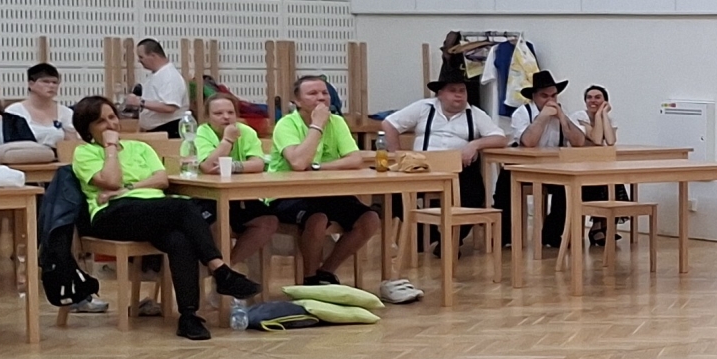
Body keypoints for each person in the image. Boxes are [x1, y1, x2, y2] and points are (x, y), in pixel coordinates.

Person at [68, 95, 260, 340]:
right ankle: (220, 270)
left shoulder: (140, 147)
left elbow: (161, 180)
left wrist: (129, 187)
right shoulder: (84, 152)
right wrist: (111, 148)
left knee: (179, 239)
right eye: (101, 121)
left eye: (112, 117)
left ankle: (189, 316)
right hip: (111, 214)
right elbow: (111, 180)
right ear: (87, 129)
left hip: (154, 209)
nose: (111, 124)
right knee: (184, 207)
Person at [269, 76, 418, 301]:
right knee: (317, 218)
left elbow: (355, 159)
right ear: (297, 101)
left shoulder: (337, 122)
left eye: (324, 93)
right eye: (312, 93)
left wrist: (318, 167)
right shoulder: (287, 124)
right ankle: (309, 280)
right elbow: (298, 163)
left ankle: (325, 272)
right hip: (286, 193)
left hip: (325, 192)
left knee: (369, 219)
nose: (321, 98)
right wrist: (317, 125)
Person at [379, 74, 506, 211]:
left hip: (459, 172)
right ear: (440, 94)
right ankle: (417, 222)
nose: (458, 95)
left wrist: (474, 145)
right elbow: (389, 124)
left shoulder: (475, 113)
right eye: (452, 90)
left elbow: (500, 138)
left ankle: (452, 225)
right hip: (421, 170)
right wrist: (398, 155)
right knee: (394, 193)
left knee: (474, 196)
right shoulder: (424, 107)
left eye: (462, 91)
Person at [191, 91, 279, 268]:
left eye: (230, 113)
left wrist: (232, 166)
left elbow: (258, 164)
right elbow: (208, 166)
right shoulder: (203, 132)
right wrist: (227, 140)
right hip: (208, 197)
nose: (226, 117)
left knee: (268, 221)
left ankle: (226, 270)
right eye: (218, 113)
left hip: (240, 196)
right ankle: (221, 271)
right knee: (216, 226)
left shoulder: (246, 131)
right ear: (207, 117)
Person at [502, 70, 585, 250]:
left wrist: (563, 119)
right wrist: (542, 118)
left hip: (553, 167)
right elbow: (528, 142)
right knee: (504, 186)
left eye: (553, 95)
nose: (550, 100)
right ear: (534, 97)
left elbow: (579, 142)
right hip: (523, 167)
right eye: (544, 96)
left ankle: (551, 235)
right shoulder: (522, 113)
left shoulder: (562, 112)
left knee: (569, 186)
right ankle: (506, 235)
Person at [573, 84, 629, 246]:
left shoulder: (608, 118)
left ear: (605, 101)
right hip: (579, 164)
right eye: (589, 97)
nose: (593, 100)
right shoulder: (579, 116)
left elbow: (610, 141)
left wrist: (603, 114)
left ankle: (606, 225)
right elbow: (597, 139)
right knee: (600, 182)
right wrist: (599, 115)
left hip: (597, 163)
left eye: (598, 97)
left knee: (615, 181)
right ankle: (598, 226)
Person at [124, 39, 187, 138]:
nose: (139, 61)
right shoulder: (157, 74)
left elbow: (170, 107)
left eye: (141, 57)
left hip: (169, 131)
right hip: (157, 130)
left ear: (153, 56)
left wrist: (140, 102)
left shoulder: (169, 76)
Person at [6, 63, 77, 146]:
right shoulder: (15, 112)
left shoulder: (66, 112)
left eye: (55, 82)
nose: (51, 86)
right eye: (45, 82)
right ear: (31, 84)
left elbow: (72, 143)